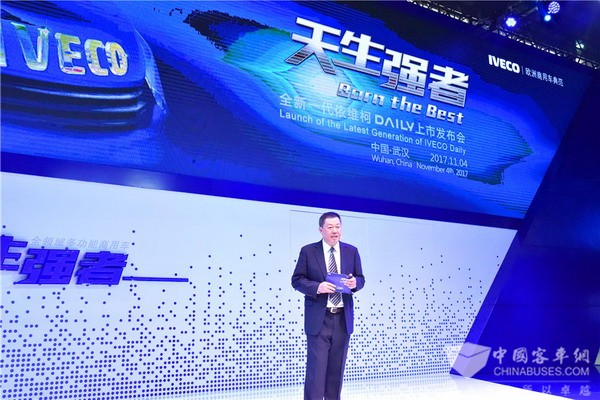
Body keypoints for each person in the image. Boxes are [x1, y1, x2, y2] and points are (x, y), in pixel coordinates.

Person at [291, 211, 365, 400]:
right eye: (330, 227)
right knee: (316, 372)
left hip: (342, 320)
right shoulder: (308, 251)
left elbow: (361, 278)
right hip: (319, 319)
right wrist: (318, 287)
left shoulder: (351, 251)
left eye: (338, 227)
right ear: (320, 230)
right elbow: (297, 280)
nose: (335, 231)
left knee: (336, 372)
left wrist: (355, 283)